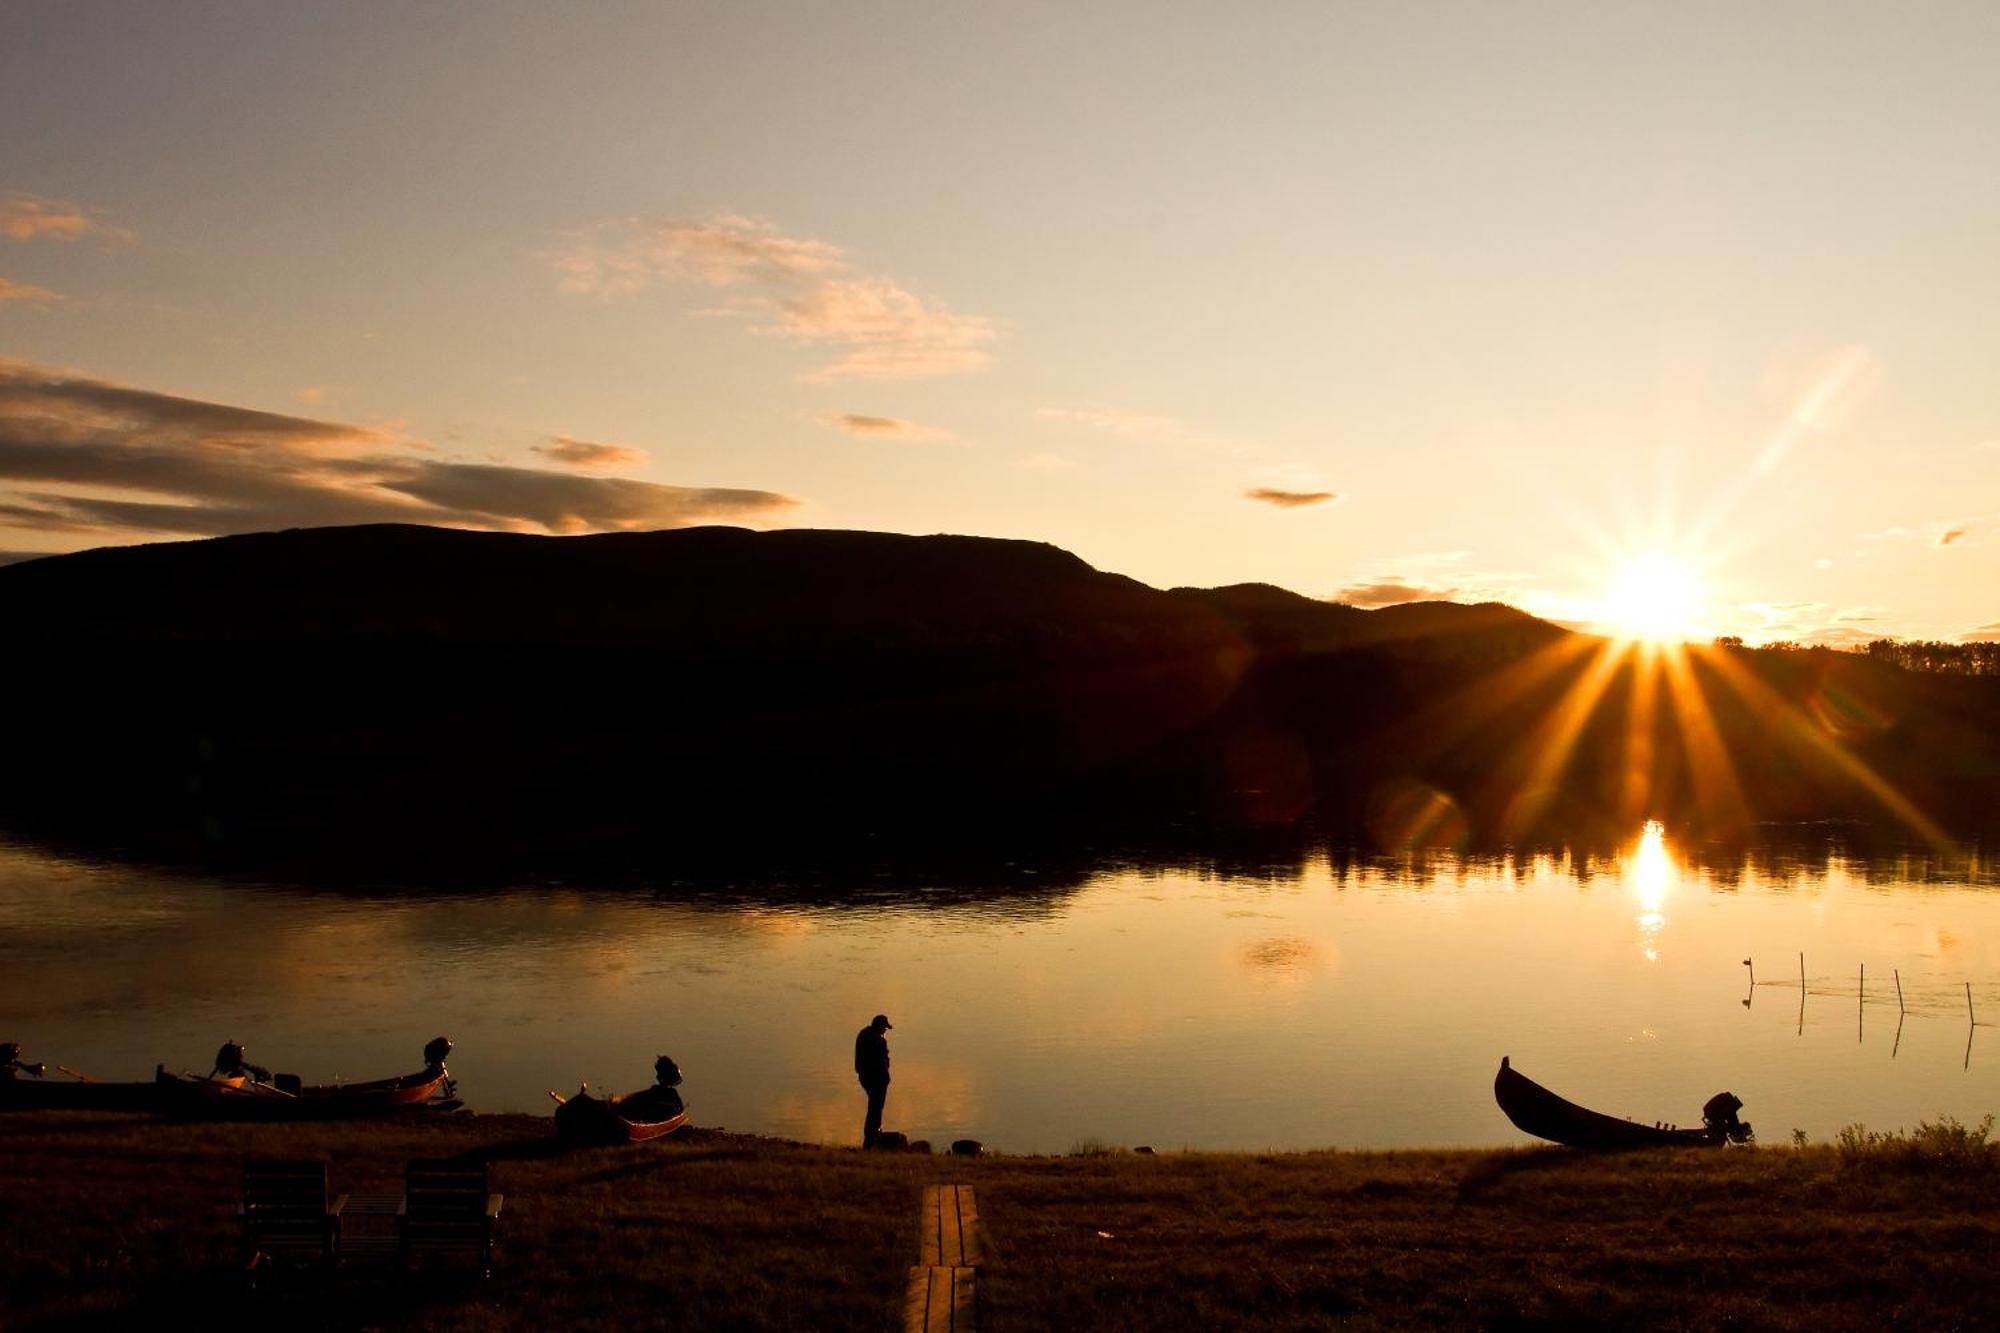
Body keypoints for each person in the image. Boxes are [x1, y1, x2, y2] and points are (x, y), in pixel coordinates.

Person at [853, 1013, 892, 1148]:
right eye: (884, 1028)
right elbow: (882, 1060)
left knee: (874, 1106)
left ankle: (872, 1135)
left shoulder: (863, 1034)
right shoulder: (877, 1040)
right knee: (876, 1107)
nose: (885, 1031)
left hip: (866, 1077)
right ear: (879, 1026)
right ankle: (872, 1135)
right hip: (876, 1079)